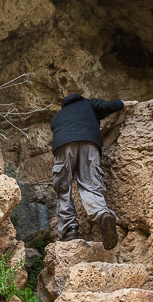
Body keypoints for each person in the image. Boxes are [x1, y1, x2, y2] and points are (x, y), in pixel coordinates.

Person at [49, 93, 138, 249]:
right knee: (90, 183)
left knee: (63, 188)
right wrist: (124, 103)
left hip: (63, 145)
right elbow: (105, 107)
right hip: (89, 143)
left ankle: (70, 230)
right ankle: (102, 214)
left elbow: (54, 129)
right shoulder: (89, 104)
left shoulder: (58, 116)